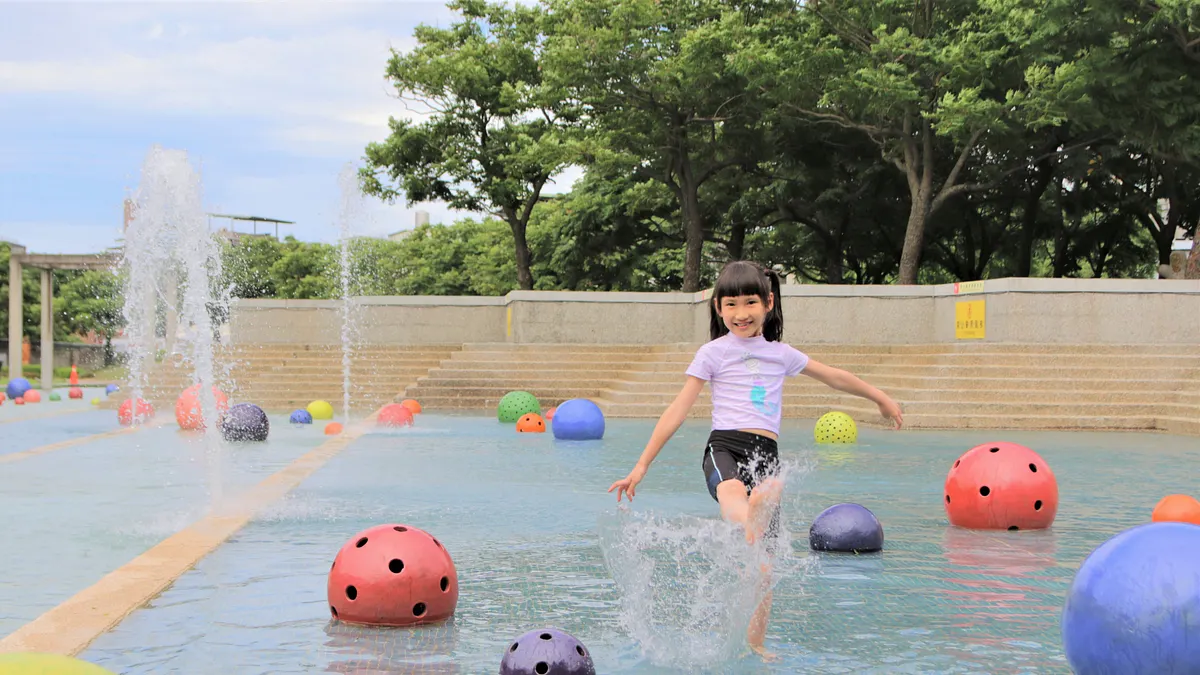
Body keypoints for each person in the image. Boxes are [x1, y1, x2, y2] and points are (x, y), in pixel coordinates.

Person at [608, 260, 904, 659]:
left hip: (767, 454)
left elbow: (834, 376)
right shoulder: (712, 353)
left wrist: (881, 398)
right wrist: (641, 466)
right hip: (724, 446)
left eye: (750, 302)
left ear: (768, 303)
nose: (740, 313)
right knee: (731, 490)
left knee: (764, 566)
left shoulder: (780, 354)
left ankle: (756, 641)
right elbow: (677, 409)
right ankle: (748, 517)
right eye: (730, 304)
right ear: (718, 308)